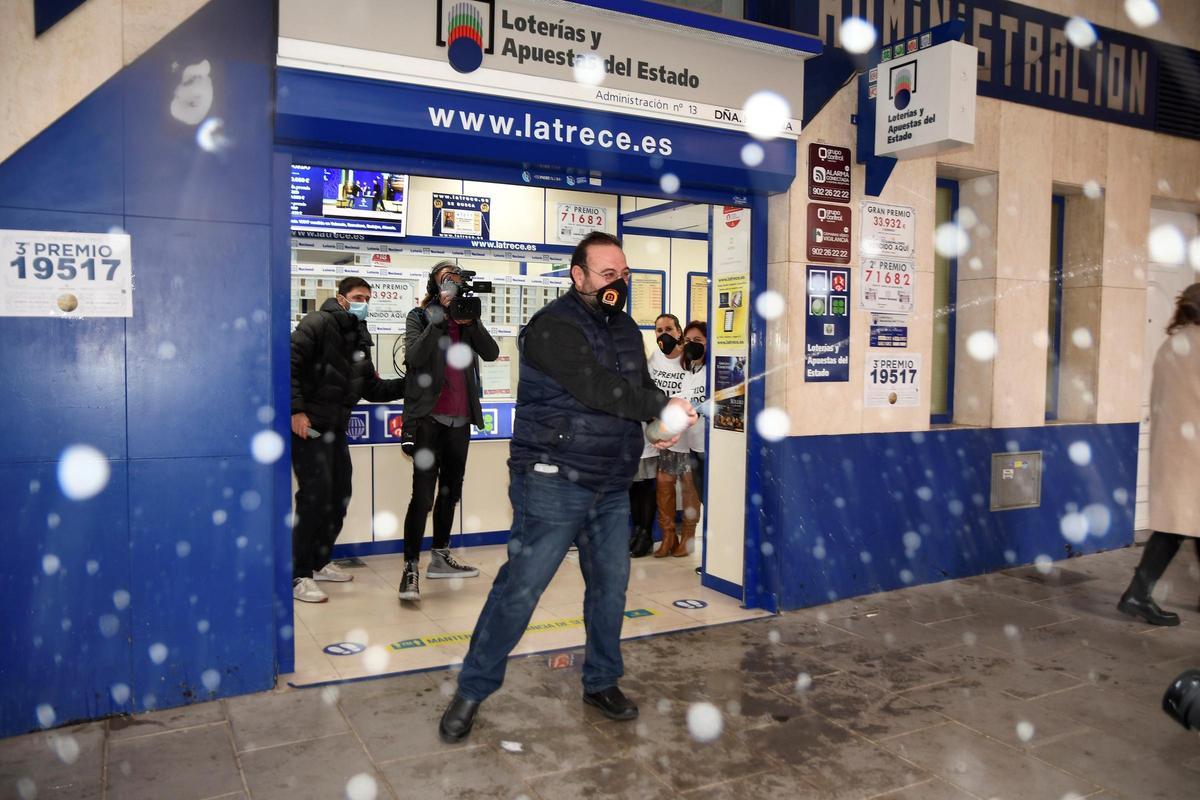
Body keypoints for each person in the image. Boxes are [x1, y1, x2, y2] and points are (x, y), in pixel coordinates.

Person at [438, 231, 698, 743]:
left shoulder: (625, 328)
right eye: (607, 274)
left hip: (610, 480)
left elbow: (639, 388)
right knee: (522, 588)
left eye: (622, 275)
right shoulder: (551, 327)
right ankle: (472, 689)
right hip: (552, 477)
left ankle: (601, 680)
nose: (616, 284)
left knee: (610, 588)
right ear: (577, 275)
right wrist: (653, 407)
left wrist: (661, 421)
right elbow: (595, 388)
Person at [290, 277, 405, 603]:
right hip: (309, 426)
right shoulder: (317, 323)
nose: (363, 302)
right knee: (315, 495)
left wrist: (412, 384)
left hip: (335, 429)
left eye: (367, 297)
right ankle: (298, 574)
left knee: (339, 493)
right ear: (341, 299)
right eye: (358, 296)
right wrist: (296, 411)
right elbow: (289, 364)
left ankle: (320, 560)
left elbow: (372, 388)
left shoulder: (358, 337)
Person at [398, 261, 500, 601]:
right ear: (435, 284)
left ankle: (440, 556)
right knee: (423, 497)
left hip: (460, 422)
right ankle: (410, 566)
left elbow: (492, 352)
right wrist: (439, 319)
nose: (453, 286)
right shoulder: (420, 316)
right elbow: (414, 355)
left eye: (457, 281)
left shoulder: (467, 319)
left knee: (450, 493)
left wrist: (470, 323)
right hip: (429, 421)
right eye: (447, 281)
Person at [1117, 283, 1200, 626]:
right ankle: (1137, 594)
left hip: (1177, 448)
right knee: (1176, 527)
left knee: (1185, 523)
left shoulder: (1173, 344)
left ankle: (1138, 593)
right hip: (1192, 451)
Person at [647, 314, 700, 558]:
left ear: (678, 332)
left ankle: (688, 535)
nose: (664, 334)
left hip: (692, 437)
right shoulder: (652, 360)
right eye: (659, 330)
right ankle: (668, 534)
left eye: (669, 328)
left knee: (689, 487)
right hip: (669, 434)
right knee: (664, 483)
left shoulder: (688, 360)